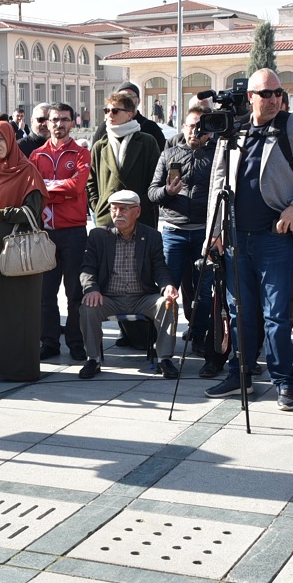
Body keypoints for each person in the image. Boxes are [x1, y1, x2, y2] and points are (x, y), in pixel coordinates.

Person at [204, 69, 293, 409]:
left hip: (274, 239)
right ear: (251, 97)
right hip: (235, 238)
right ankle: (241, 374)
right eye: (266, 93)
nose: (274, 99)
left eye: (278, 92)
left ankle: (284, 381)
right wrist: (213, 233)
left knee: (276, 317)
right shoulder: (233, 128)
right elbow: (218, 181)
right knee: (239, 313)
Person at [78, 190, 180, 379]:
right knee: (88, 307)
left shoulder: (151, 236)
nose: (117, 214)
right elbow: (88, 268)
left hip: (142, 297)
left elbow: (160, 267)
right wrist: (91, 289)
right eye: (114, 209)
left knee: (168, 304)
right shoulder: (98, 235)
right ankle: (93, 359)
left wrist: (167, 286)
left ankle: (164, 359)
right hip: (109, 297)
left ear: (137, 211)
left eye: (123, 209)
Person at [0, 121, 45, 381]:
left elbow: (32, 213)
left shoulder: (27, 171)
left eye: (0, 139)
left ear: (12, 140)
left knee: (17, 309)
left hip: (18, 250)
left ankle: (19, 368)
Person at [148, 102, 213, 354]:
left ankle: (199, 336)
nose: (195, 131)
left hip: (205, 232)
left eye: (200, 127)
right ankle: (164, 342)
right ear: (183, 127)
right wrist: (167, 191)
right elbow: (152, 193)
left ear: (209, 130)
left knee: (203, 290)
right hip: (173, 232)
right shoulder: (169, 155)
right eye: (191, 126)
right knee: (168, 288)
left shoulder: (217, 155)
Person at [30, 103, 91, 361]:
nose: (59, 124)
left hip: (74, 232)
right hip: (45, 232)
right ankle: (49, 341)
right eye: (54, 119)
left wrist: (49, 188)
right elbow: (34, 190)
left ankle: (76, 342)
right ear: (48, 123)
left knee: (75, 292)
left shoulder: (81, 154)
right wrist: (59, 189)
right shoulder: (36, 155)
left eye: (64, 119)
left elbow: (77, 187)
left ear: (72, 123)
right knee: (45, 293)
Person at [88, 92, 162, 229]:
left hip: (140, 216)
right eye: (107, 110)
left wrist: (142, 206)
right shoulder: (100, 145)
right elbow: (90, 182)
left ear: (129, 114)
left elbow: (157, 179)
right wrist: (98, 206)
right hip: (107, 217)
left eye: (115, 111)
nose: (110, 115)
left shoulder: (147, 142)